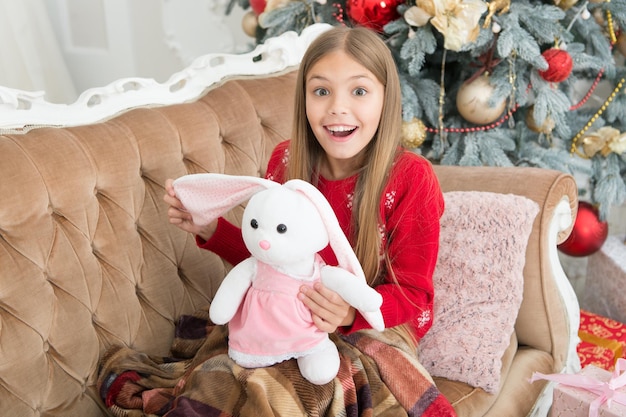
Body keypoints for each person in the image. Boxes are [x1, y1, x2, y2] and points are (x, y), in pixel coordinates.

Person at [163, 25, 444, 348]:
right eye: (321, 92)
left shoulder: (411, 177)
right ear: (304, 99)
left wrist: (351, 313)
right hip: (288, 319)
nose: (338, 107)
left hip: (375, 331)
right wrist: (211, 229)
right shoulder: (286, 160)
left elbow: (414, 294)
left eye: (359, 91)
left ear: (385, 99)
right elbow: (274, 262)